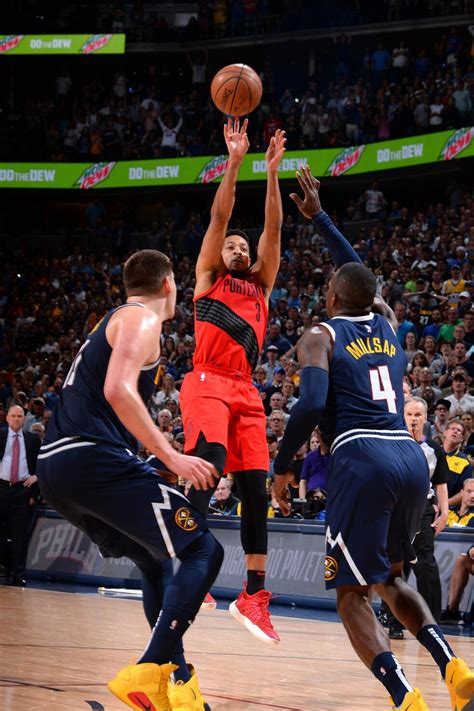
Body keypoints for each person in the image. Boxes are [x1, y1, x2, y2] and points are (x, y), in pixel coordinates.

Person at [272, 166, 474, 711]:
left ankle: (404, 696)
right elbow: (363, 277)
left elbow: (312, 403)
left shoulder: (319, 333)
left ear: (333, 293)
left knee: (350, 596)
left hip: (360, 457)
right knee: (390, 579)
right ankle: (452, 664)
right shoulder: (386, 323)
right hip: (408, 459)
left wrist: (282, 464)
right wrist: (320, 220)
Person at [36, 250, 223, 711]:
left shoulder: (113, 321)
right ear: (167, 285)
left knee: (156, 559)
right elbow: (116, 390)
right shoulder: (142, 319)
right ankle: (150, 666)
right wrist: (171, 456)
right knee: (204, 549)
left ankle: (173, 680)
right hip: (91, 460)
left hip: (58, 469)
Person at [180, 118, 286, 645]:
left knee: (255, 490)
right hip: (206, 381)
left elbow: (273, 231)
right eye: (233, 247)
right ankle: (191, 565)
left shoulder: (262, 285)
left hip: (246, 390)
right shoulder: (207, 276)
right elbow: (222, 214)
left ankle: (254, 597)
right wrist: (237, 161)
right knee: (210, 466)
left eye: (245, 248)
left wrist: (271, 174)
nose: (240, 249)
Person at [404, 397, 449, 623]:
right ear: (404, 417)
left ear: (425, 418)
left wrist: (445, 512)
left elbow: (441, 483)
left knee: (426, 561)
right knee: (396, 563)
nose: (414, 419)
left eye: (418, 415)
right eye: (410, 414)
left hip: (423, 506)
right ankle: (392, 619)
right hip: (397, 508)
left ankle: (432, 619)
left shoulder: (434, 449)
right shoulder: (393, 443)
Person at [0, 405, 41, 586]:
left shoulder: (33, 440)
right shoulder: (0, 435)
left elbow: (42, 464)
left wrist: (36, 477)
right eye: (13, 416)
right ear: (7, 418)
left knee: (20, 535)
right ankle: (2, 568)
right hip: (1, 487)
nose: (16, 419)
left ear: (24, 419)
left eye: (19, 416)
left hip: (22, 490)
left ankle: (17, 573)